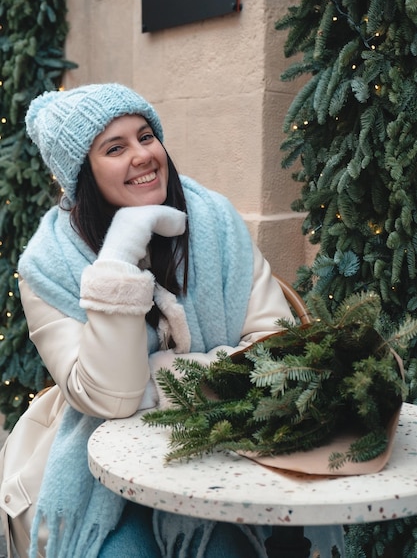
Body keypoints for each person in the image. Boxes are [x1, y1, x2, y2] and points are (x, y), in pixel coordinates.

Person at [0, 83, 345, 557]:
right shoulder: (47, 266)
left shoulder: (216, 224)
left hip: (219, 457)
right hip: (100, 473)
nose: (142, 155)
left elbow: (277, 353)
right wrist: (120, 256)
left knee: (224, 548)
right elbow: (111, 398)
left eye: (146, 136)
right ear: (83, 174)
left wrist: (159, 381)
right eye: (115, 148)